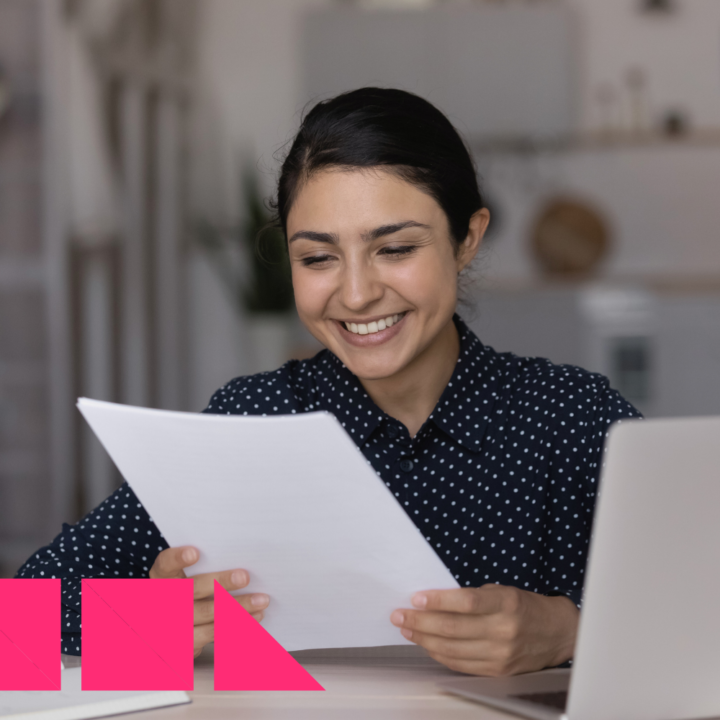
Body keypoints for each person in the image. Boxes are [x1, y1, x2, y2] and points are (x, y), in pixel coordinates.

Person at [17, 87, 640, 676]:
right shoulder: (249, 422)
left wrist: (574, 632)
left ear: (466, 239)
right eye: (317, 258)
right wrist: (153, 626)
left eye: (395, 249)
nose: (358, 293)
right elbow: (19, 620)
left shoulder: (573, 417)